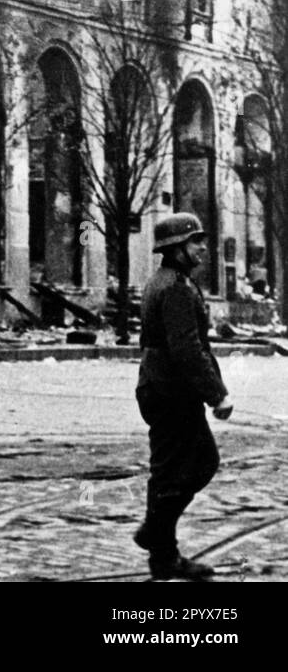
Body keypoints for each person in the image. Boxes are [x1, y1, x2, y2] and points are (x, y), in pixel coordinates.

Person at [134, 212, 234, 580]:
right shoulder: (175, 287)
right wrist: (217, 395)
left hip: (158, 386)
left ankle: (163, 558)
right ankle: (155, 532)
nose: (203, 248)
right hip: (172, 391)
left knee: (167, 473)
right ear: (176, 248)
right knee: (201, 463)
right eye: (196, 242)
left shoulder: (161, 281)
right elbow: (188, 349)